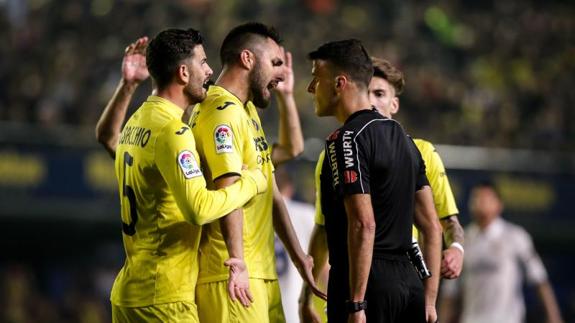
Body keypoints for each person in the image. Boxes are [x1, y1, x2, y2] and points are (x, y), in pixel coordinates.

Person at [107, 29, 268, 322]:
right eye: (203, 62)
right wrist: (252, 182)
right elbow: (198, 209)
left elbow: (108, 139)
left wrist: (127, 86)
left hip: (128, 295)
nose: (209, 71)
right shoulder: (173, 131)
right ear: (183, 72)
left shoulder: (136, 122)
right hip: (165, 297)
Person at [189, 22, 324, 323]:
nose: (281, 73)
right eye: (275, 63)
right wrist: (237, 261)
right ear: (248, 59)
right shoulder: (219, 112)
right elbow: (229, 192)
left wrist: (299, 256)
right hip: (232, 277)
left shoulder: (246, 111)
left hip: (262, 273)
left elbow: (271, 193)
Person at [304, 39, 442, 323]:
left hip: (365, 285)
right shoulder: (405, 139)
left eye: (316, 79)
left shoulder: (346, 139)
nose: (310, 89)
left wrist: (356, 303)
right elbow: (432, 226)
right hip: (410, 286)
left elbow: (363, 223)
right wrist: (429, 299)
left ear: (339, 83)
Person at [368, 57, 464, 280]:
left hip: (403, 283)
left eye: (380, 94)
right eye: (366, 93)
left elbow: (449, 223)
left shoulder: (423, 153)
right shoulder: (334, 154)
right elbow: (324, 232)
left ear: (394, 105)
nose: (371, 102)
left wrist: (456, 249)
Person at [440, 181, 564, 323]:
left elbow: (539, 280)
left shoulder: (516, 237)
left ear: (499, 205)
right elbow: (450, 293)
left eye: (486, 198)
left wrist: (554, 317)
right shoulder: (462, 241)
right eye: (476, 198)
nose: (480, 203)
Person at [274, 166, 318, 323]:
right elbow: (324, 267)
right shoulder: (305, 213)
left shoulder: (254, 216)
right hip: (294, 308)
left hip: (259, 307)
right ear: (289, 188)